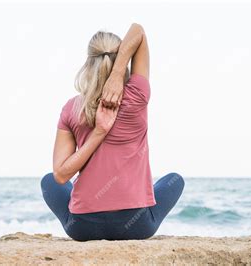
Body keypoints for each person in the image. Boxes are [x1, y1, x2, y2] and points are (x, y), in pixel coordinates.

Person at [40, 23, 185, 241]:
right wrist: (118, 74)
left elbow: (60, 175)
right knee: (175, 180)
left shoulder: (72, 108)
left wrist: (97, 134)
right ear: (122, 59)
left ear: (89, 62)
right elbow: (138, 31)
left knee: (48, 180)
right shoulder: (137, 96)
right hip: (137, 226)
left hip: (82, 228)